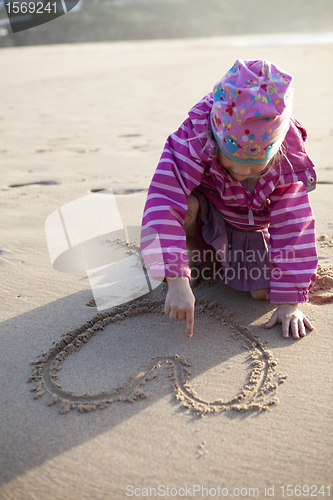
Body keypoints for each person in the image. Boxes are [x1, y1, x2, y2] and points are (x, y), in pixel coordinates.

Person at [140, 59, 317, 340]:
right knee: (185, 206)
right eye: (232, 162)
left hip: (249, 227)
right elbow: (163, 201)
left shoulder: (286, 161)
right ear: (217, 138)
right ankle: (191, 260)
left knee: (262, 293)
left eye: (255, 166)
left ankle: (225, 264)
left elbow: (294, 227)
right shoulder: (192, 139)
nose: (241, 172)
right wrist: (175, 278)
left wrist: (289, 303)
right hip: (207, 215)